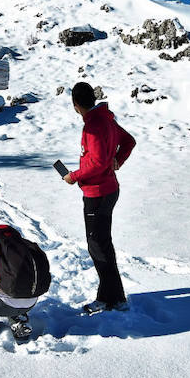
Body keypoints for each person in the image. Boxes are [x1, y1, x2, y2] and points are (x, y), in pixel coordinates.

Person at [62, 82, 136, 314]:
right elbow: (129, 141)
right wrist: (118, 160)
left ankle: (113, 299)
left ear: (75, 105)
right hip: (108, 190)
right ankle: (111, 297)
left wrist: (73, 176)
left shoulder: (94, 125)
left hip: (98, 194)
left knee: (97, 246)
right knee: (102, 245)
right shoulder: (106, 118)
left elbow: (97, 163)